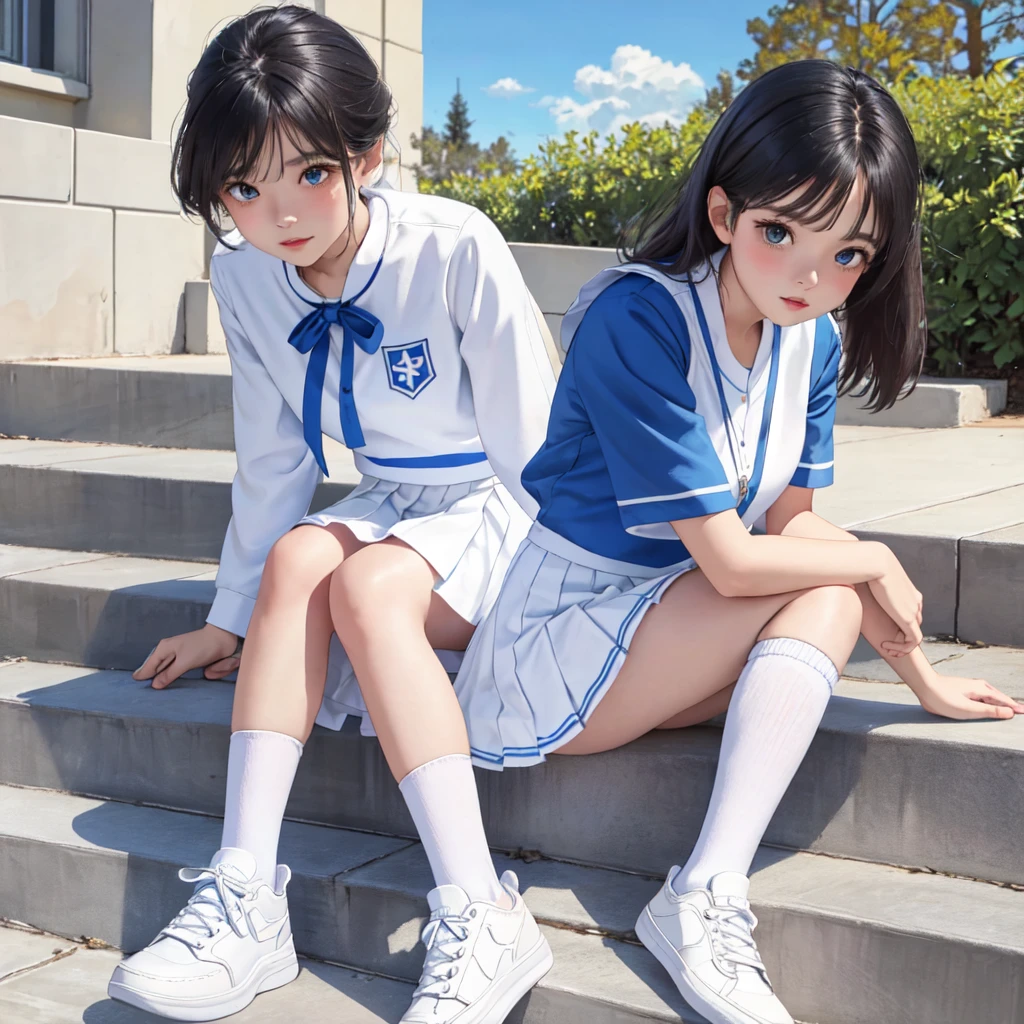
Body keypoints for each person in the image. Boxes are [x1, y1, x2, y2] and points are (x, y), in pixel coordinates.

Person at [453, 59, 1024, 1024]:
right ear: (723, 214)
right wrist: (879, 558)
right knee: (836, 584)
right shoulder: (637, 317)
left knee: (829, 589)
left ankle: (705, 892)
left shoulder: (816, 339)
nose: (812, 276)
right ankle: (703, 897)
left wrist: (920, 675)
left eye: (850, 254)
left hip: (670, 629)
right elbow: (731, 558)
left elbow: (791, 526)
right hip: (564, 635)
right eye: (780, 232)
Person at [106, 7, 556, 1021]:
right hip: (390, 502)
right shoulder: (245, 276)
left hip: (491, 505)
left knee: (362, 577)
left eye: (309, 173)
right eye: (243, 187)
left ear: (369, 156)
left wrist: (590, 593)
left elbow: (534, 451)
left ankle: (482, 909)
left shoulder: (453, 248)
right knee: (303, 554)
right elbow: (272, 455)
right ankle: (245, 896)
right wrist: (234, 615)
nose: (281, 214)